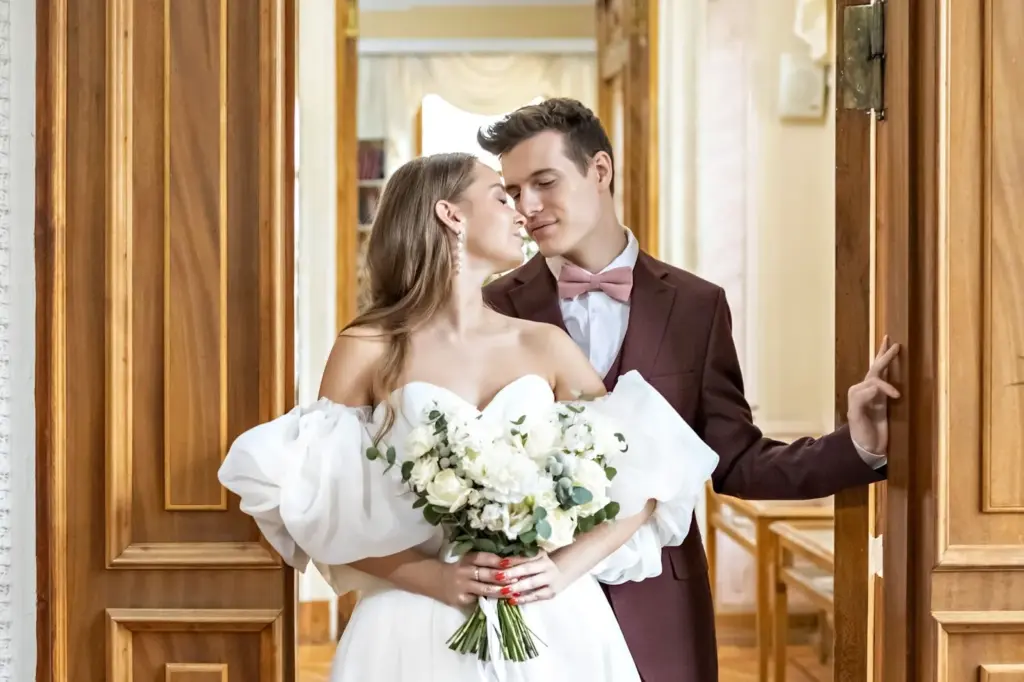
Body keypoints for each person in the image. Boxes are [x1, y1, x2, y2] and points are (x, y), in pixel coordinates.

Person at [218, 152, 725, 681]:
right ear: (451, 214)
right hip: (412, 625)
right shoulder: (368, 347)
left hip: (554, 623)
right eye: (502, 197)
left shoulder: (546, 344)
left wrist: (562, 569)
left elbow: (645, 477)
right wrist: (432, 578)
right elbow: (323, 510)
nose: (522, 213)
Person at [478, 98, 900, 682]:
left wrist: (858, 446)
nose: (527, 207)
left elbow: (738, 463)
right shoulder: (490, 306)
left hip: (660, 604)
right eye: (513, 191)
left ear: (599, 170)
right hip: (531, 607)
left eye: (544, 182)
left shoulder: (697, 307)